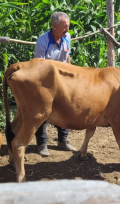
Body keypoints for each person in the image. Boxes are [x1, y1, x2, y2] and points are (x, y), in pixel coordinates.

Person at [33, 12, 77, 156]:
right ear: (54, 26)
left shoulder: (67, 37)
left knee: (64, 108)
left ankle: (63, 141)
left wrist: (71, 75)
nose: (67, 30)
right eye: (65, 27)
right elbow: (39, 67)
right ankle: (41, 144)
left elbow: (67, 56)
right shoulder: (42, 41)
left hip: (63, 80)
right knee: (43, 112)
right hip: (46, 81)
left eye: (68, 26)